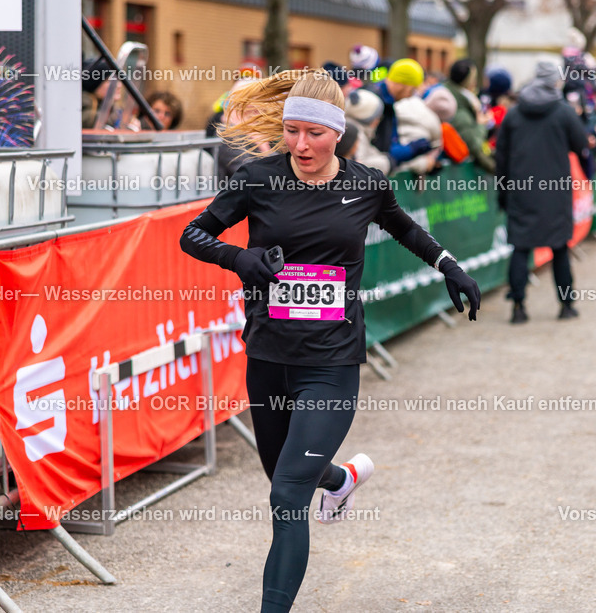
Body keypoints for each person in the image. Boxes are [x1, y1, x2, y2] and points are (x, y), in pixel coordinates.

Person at [179, 68, 480, 612]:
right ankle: (339, 479)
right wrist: (241, 259)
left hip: (332, 360)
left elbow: (406, 228)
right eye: (291, 131)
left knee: (287, 494)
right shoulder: (258, 178)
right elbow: (194, 234)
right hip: (270, 355)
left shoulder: (364, 184)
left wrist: (448, 264)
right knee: (285, 471)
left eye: (313, 134)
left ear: (337, 131)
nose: (300, 145)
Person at [494, 61, 589, 323]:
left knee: (520, 248)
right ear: (555, 82)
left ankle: (518, 307)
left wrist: (502, 192)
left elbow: (500, 157)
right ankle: (566, 305)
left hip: (520, 190)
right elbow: (582, 144)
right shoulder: (563, 112)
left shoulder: (514, 113)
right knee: (559, 248)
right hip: (555, 192)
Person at [367, 58, 435, 166]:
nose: (410, 96)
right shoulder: (375, 103)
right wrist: (411, 149)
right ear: (401, 84)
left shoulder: (388, 103)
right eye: (412, 90)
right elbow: (379, 150)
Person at [443, 58, 493, 173]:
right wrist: (481, 124)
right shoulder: (459, 110)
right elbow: (474, 145)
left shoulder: (463, 101)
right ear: (467, 81)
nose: (475, 82)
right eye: (473, 78)